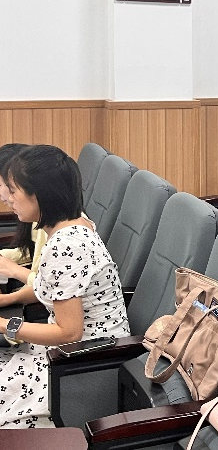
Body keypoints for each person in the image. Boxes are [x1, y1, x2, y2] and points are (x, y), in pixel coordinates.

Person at [0, 145, 129, 427]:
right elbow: (57, 289)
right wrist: (7, 302)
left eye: (13, 190)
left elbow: (69, 332)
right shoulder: (73, 224)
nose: (8, 198)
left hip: (82, 364)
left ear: (38, 195)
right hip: (68, 354)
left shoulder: (66, 246)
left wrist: (4, 325)